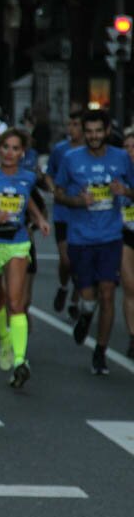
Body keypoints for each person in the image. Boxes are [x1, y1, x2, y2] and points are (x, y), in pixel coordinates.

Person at [54, 110, 134, 375]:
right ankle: (87, 313)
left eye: (98, 131)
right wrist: (78, 201)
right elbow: (59, 191)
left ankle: (100, 351)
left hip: (111, 237)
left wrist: (125, 192)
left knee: (108, 292)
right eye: (89, 132)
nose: (93, 136)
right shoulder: (71, 158)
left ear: (108, 130)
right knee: (89, 295)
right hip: (81, 238)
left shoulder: (121, 158)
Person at [0, 129, 50, 388]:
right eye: (5, 147)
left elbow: (27, 200)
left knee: (16, 303)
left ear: (22, 153)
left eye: (15, 148)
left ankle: (20, 361)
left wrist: (39, 219)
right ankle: (5, 339)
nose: (9, 153)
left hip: (16, 242)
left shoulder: (27, 177)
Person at [47, 109, 85, 318]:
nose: (71, 129)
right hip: (63, 213)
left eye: (76, 125)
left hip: (86, 214)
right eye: (69, 124)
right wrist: (54, 190)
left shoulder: (91, 152)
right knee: (66, 260)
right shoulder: (60, 150)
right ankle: (63, 286)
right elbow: (49, 175)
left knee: (81, 261)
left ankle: (75, 300)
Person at [122, 131, 134, 357]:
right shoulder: (116, 172)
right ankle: (133, 336)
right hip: (122, 233)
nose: (131, 151)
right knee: (130, 287)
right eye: (127, 147)